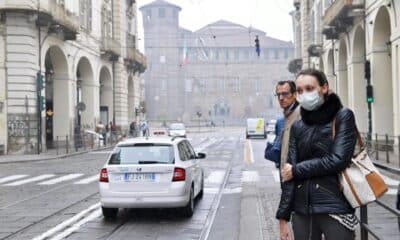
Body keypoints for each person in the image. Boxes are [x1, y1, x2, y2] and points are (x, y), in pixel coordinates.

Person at [276, 69, 358, 240]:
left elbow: (338, 160)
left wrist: (297, 170)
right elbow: (287, 174)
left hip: (335, 207)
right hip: (302, 211)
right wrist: (283, 217)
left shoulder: (343, 116)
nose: (304, 94)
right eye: (299, 91)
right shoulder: (298, 126)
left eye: (309, 88)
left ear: (324, 88)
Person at [265, 80, 300, 169]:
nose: (281, 98)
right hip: (287, 172)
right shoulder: (282, 120)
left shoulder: (301, 116)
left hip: (296, 174)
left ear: (295, 95)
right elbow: (278, 152)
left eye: (285, 94)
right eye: (278, 95)